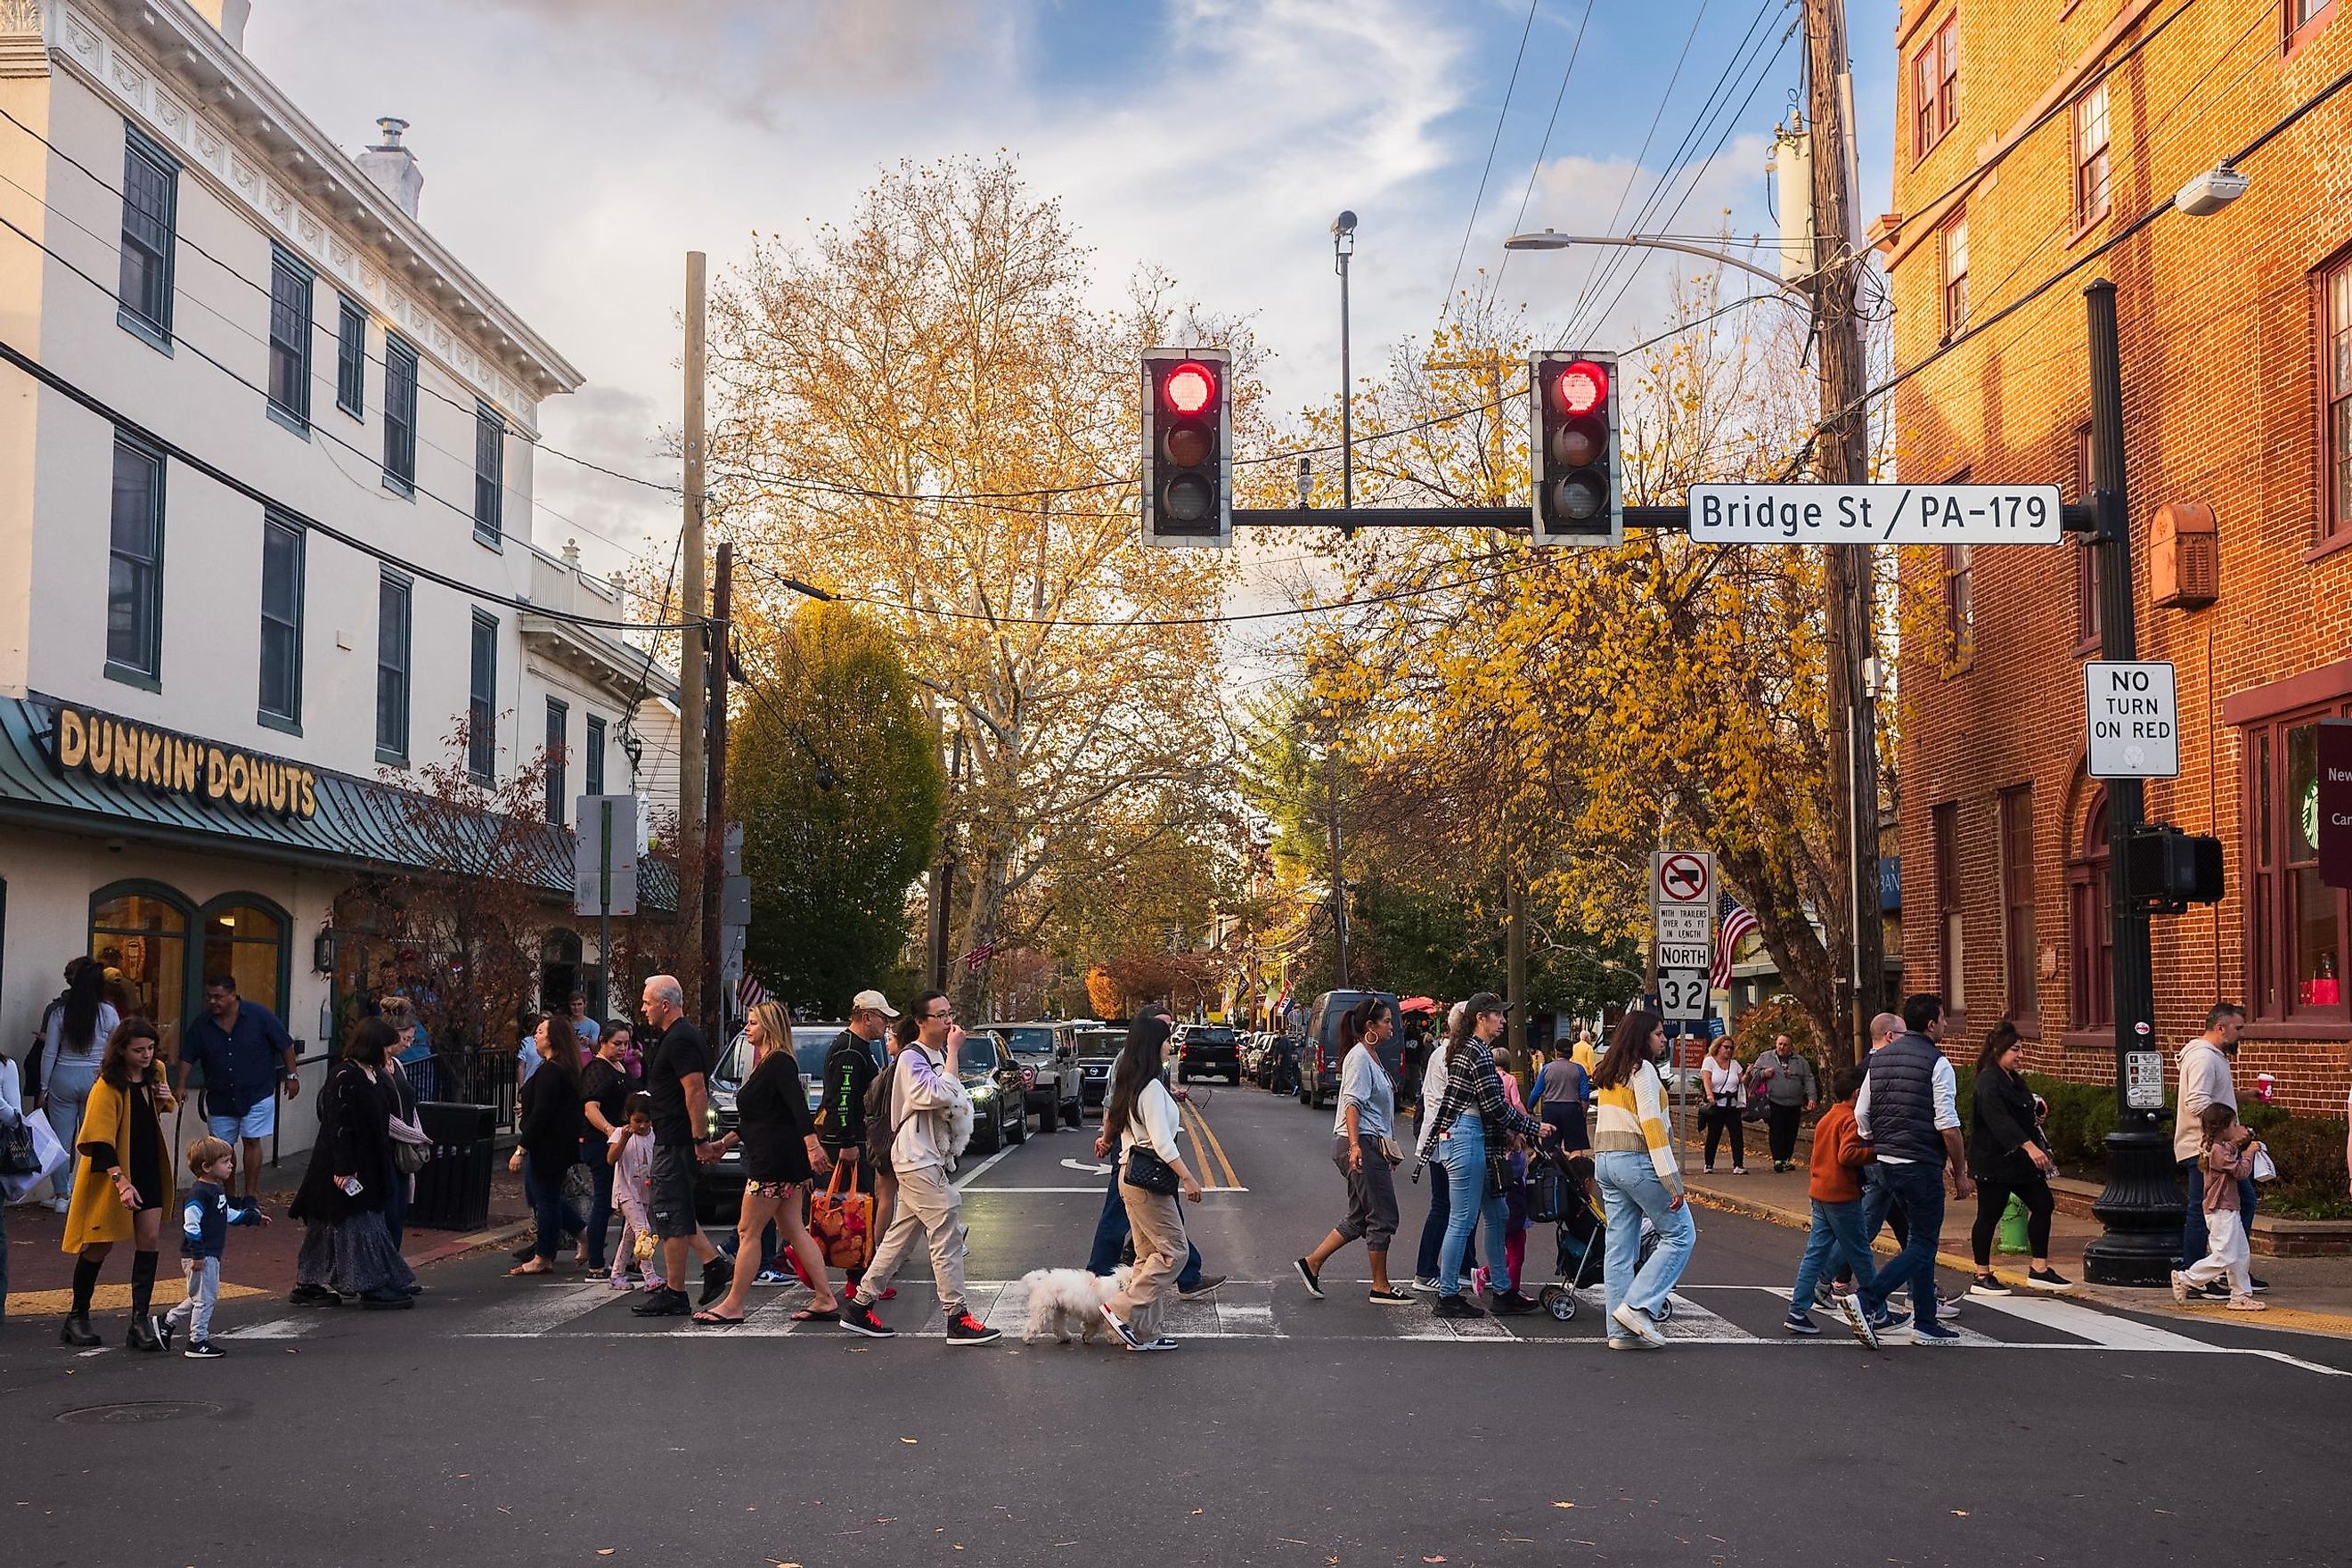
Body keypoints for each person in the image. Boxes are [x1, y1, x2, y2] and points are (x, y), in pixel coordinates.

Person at [835, 991, 1000, 1343]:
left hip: (922, 1157)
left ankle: (860, 1305)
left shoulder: (932, 1055)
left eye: (949, 1013)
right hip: (914, 1158)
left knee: (901, 1236)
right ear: (921, 1022)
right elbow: (936, 1096)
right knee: (946, 1229)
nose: (947, 1020)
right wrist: (954, 1053)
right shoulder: (913, 1058)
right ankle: (957, 1316)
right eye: (940, 1015)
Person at [1838, 993, 1972, 1349]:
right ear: (1931, 1024)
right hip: (1921, 1163)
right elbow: (1948, 1125)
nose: (1945, 1025)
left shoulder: (1877, 1060)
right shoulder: (1938, 1063)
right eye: (1943, 1019)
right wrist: (1960, 1172)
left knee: (1918, 1240)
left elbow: (1862, 1113)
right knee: (1924, 1242)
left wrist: (1874, 1140)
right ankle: (1868, 1299)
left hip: (1886, 1162)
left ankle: (1925, 1322)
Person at [696, 1000, 840, 1327]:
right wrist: (723, 1143)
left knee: (748, 1231)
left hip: (773, 1162)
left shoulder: (779, 1063)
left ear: (770, 1028)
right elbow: (755, 1119)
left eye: (754, 1024)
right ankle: (825, 1297)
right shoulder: (765, 1064)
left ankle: (733, 1304)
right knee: (793, 1230)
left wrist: (813, 1146)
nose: (748, 1028)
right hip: (778, 1159)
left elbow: (797, 1110)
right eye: (748, 1023)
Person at [1086, 1002, 1221, 1301]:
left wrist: (1170, 1097)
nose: (1170, 1039)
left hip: (1148, 1162)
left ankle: (1144, 1315)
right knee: (1161, 1239)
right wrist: (1187, 1177)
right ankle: (1108, 1291)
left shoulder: (1151, 1071)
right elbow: (1119, 1108)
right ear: (1147, 1035)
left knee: (1150, 1242)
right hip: (1141, 1160)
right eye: (1164, 1033)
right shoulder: (1131, 1068)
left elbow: (1140, 1107)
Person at [1421, 992, 1545, 1320]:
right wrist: (1532, 1126)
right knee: (1461, 1219)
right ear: (1480, 1019)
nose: (1502, 1021)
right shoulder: (1475, 1052)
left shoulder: (1472, 1051)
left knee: (1499, 1214)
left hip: (1473, 1139)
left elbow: (1491, 1107)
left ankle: (1503, 1290)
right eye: (1497, 1015)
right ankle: (1447, 1295)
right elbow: (1494, 1105)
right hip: (1466, 1138)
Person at [58, 1017, 178, 1349]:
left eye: (151, 1048)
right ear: (121, 1049)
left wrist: (163, 1097)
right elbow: (99, 1141)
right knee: (100, 1243)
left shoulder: (155, 1073)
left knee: (150, 1238)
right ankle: (77, 1315)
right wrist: (121, 1182)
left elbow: (159, 1110)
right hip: (113, 1172)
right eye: (138, 1049)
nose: (146, 1055)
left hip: (148, 1164)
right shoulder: (107, 1085)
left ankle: (139, 1321)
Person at [288, 1017, 419, 1310]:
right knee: (357, 1222)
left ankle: (310, 1281)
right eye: (384, 1047)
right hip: (341, 1167)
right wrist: (344, 1168)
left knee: (330, 1226)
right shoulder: (344, 1076)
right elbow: (339, 1124)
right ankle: (368, 1283)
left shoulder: (373, 1075)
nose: (389, 1053)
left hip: (369, 1162)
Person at [1591, 1009, 1698, 1350]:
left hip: (1606, 1162)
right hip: (1636, 1161)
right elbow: (1653, 1127)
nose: (1664, 1039)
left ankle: (1619, 1331)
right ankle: (1638, 1306)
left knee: (1620, 1247)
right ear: (1642, 1037)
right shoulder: (1644, 1071)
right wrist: (1672, 1181)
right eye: (1658, 1033)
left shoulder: (1612, 1072)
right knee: (1681, 1234)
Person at [1098, 1014, 1205, 1352]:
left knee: (1147, 1257)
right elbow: (1162, 1142)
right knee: (1175, 1251)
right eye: (1166, 1039)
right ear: (1152, 1044)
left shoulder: (1134, 1083)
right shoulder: (1152, 1088)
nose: (1170, 1046)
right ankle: (1121, 1309)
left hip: (1130, 1174)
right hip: (1149, 1178)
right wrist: (1187, 1177)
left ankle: (1146, 1332)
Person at [1294, 996, 1410, 1304]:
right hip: (1358, 1143)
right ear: (1370, 1026)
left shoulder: (1371, 1056)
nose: (1391, 1027)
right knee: (1383, 1215)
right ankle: (1380, 1286)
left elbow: (1378, 1111)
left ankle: (1312, 1263)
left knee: (1360, 1216)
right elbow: (1352, 1104)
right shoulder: (1360, 1057)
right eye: (1386, 1021)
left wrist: (1387, 1149)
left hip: (1370, 1144)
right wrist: (1358, 1146)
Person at [630, 976, 732, 1318]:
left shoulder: (681, 1040)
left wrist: (699, 1139)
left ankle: (676, 1291)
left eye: (647, 1002)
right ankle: (713, 1264)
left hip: (677, 1140)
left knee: (668, 1212)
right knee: (677, 1209)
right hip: (673, 1137)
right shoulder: (676, 1037)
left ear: (665, 1004)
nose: (643, 1008)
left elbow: (696, 1091)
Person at [172, 973, 299, 1205]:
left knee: (252, 1140)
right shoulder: (202, 1024)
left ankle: (250, 1195)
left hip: (256, 1092)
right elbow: (187, 1056)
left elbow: (286, 1044)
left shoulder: (258, 1016)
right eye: (208, 997)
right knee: (222, 1148)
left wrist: (292, 1076)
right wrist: (181, 1085)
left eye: (218, 997)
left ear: (233, 995)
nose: (212, 1002)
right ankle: (230, 1195)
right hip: (220, 1095)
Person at [1966, 1020, 2070, 1295]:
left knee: (2043, 1204)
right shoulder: (1988, 1080)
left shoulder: (2011, 1078)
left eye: (2020, 1049)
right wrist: (2029, 1146)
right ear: (1998, 1049)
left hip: (2019, 1163)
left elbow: (2018, 1109)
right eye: (2015, 1049)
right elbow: (1998, 1120)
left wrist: (2035, 1112)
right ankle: (1981, 1274)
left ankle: (2039, 1268)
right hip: (1994, 1161)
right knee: (1989, 1214)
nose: (2020, 1055)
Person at [2176, 1004, 2265, 1296]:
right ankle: (2199, 1274)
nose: (2242, 1035)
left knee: (2238, 1204)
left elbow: (2212, 1096)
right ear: (2220, 1027)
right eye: (2238, 1029)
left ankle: (2227, 1269)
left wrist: (2240, 1096)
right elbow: (2197, 1102)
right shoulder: (2203, 1057)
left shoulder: (2214, 1057)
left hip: (2214, 1147)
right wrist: (2230, 1130)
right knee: (2204, 1210)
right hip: (2202, 1148)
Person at [1783, 1065, 1875, 1335]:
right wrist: (1875, 1152)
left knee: (1815, 1253)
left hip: (1820, 1191)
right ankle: (1877, 1309)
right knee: (1861, 1253)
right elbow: (1847, 1155)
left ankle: (1797, 1309)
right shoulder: (1851, 1120)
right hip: (1842, 1195)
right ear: (1858, 1093)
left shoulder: (1828, 1118)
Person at [815, 991, 894, 1292]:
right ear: (866, 1017)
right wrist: (848, 1142)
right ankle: (857, 1278)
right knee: (854, 1211)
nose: (885, 1024)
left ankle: (861, 1275)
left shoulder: (859, 1047)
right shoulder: (850, 1050)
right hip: (847, 1141)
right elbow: (842, 1100)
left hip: (855, 1138)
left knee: (857, 1209)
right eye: (882, 1017)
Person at [166, 1135, 267, 1359]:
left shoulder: (216, 1190)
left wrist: (251, 1218)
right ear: (206, 1167)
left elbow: (227, 1215)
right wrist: (198, 1254)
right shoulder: (199, 1193)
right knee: (205, 1298)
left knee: (200, 1295)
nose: (231, 1165)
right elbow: (190, 1225)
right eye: (225, 1161)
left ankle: (167, 1321)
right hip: (201, 1254)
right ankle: (196, 1341)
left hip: (209, 1253)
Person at [37, 958, 118, 1212]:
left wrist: (43, 1087)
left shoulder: (60, 1012)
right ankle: (80, 1192)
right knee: (90, 1138)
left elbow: (49, 1052)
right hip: (96, 1078)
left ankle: (62, 1194)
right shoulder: (108, 1013)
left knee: (60, 1140)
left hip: (63, 1075)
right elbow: (115, 1049)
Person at [1409, 1000, 1478, 1295]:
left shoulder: (1440, 1053)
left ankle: (1460, 1266)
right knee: (1452, 1208)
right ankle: (1429, 1270)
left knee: (1452, 1207)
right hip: (1451, 1137)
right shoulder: (1458, 1055)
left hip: (1437, 1138)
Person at [509, 1014, 585, 1277]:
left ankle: (544, 1255)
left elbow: (543, 1111)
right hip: (550, 1143)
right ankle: (582, 1232)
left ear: (553, 1038)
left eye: (540, 1032)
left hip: (548, 1146)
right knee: (542, 1195)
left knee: (546, 1199)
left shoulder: (553, 1070)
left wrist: (522, 1147)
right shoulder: (554, 1068)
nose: (536, 1036)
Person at [2171, 1102, 2266, 1312]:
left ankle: (2240, 1295)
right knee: (2225, 1255)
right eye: (2234, 1124)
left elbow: (2230, 1150)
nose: (2236, 1127)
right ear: (2224, 1128)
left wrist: (2241, 1142)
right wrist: (2249, 1152)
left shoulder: (2218, 1147)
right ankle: (2187, 1278)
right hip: (2221, 1210)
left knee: (2240, 1253)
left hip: (2229, 1208)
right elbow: (2241, 1171)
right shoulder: (2217, 1152)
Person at [579, 1023, 634, 1275]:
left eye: (626, 1044)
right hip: (601, 1144)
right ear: (602, 1041)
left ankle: (629, 1257)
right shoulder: (597, 1070)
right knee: (604, 1201)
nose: (623, 1048)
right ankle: (596, 1262)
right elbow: (591, 1108)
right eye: (617, 1043)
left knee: (630, 1202)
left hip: (625, 1143)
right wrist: (610, 1130)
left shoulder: (620, 1068)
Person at [377, 1003, 426, 1252]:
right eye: (406, 1038)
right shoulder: (373, 1070)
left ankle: (394, 1270)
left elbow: (410, 1106)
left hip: (403, 1151)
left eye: (411, 1039)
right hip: (384, 1150)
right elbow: (381, 1116)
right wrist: (416, 1136)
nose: (409, 1044)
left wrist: (416, 1134)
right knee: (387, 1212)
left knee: (399, 1213)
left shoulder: (399, 1066)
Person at [605, 1094, 664, 1292]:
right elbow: (611, 1159)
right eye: (637, 1121)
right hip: (627, 1191)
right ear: (627, 1117)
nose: (642, 1126)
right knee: (643, 1231)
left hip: (644, 1192)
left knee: (629, 1236)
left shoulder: (654, 1135)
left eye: (647, 1121)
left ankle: (617, 1274)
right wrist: (623, 1138)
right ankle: (650, 1276)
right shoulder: (620, 1134)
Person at [1747, 1033, 1817, 1172]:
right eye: (1780, 1044)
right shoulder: (1766, 1057)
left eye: (1785, 1045)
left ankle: (1786, 1159)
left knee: (1791, 1132)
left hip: (1794, 1103)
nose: (1782, 1047)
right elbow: (1753, 1072)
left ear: (1791, 1047)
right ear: (1776, 1044)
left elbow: (1809, 1079)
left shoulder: (1799, 1061)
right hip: (1774, 1101)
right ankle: (1778, 1159)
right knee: (1777, 1130)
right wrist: (1764, 1073)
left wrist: (1812, 1098)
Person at [1700, 1037, 1747, 1175]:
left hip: (1731, 1105)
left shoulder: (1735, 1064)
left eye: (1731, 1048)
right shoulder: (1709, 1062)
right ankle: (1709, 1164)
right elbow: (1706, 1079)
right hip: (1716, 1104)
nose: (1728, 1050)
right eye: (1726, 1047)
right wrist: (1710, 1095)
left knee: (1737, 1135)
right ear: (1718, 1047)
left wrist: (1748, 1073)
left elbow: (1741, 1080)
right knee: (1714, 1134)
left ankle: (1738, 1164)